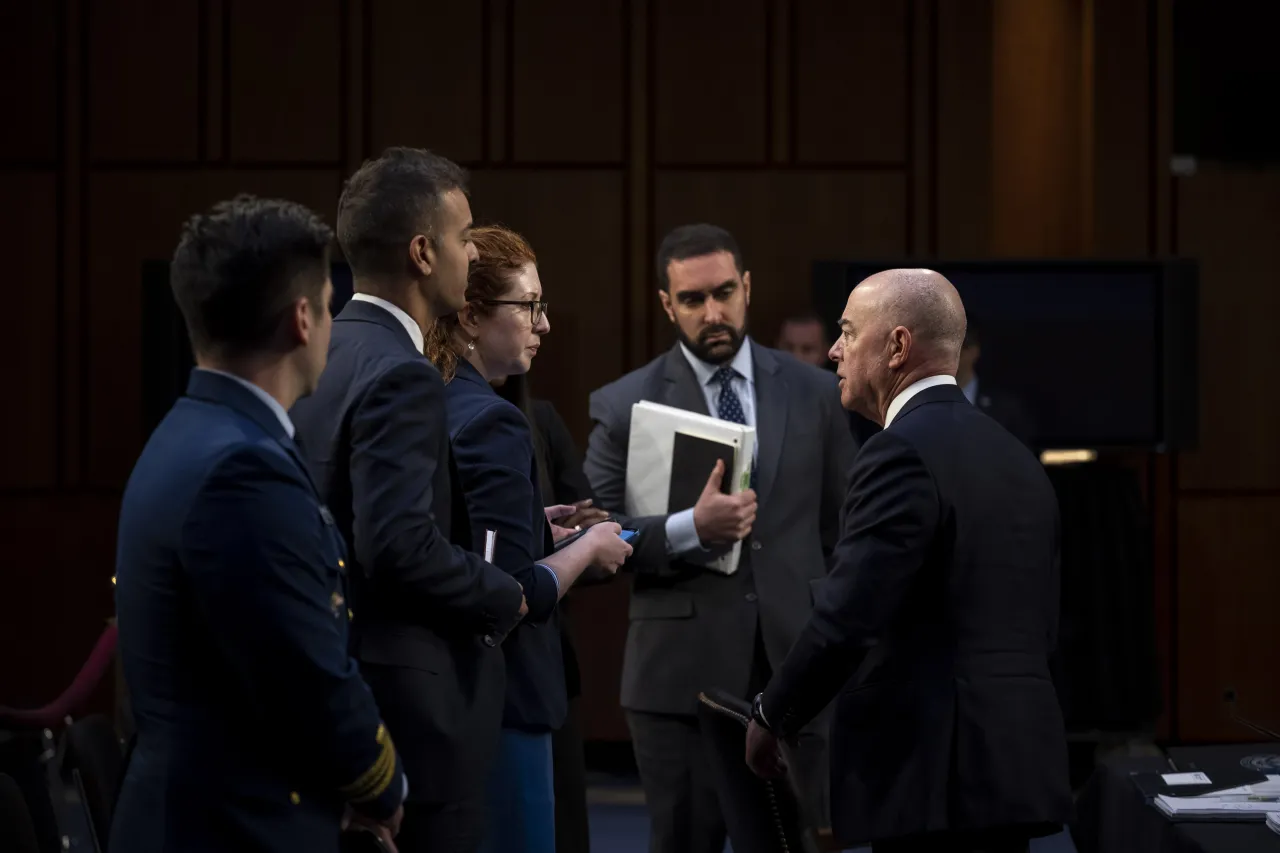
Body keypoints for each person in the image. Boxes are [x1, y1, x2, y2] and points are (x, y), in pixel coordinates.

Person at [290, 149, 629, 853]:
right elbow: (398, 547)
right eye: (464, 234)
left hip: (338, 686)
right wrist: (512, 589)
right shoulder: (405, 373)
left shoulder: (328, 351)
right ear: (422, 251)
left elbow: (353, 515)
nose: (472, 250)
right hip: (418, 708)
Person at [112, 195, 406, 853]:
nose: (332, 322)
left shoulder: (191, 430)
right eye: (330, 305)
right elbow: (307, 676)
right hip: (236, 824)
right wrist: (382, 789)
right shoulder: (244, 469)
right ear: (303, 319)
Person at [745, 269, 1071, 853]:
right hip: (1013, 765)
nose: (833, 350)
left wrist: (773, 713)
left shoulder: (896, 454)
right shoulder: (1018, 457)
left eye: (847, 332)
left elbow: (847, 616)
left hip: (932, 777)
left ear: (897, 347)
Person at [584, 223, 857, 853]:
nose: (713, 312)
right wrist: (689, 530)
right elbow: (592, 535)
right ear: (665, 304)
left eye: (725, 292)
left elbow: (842, 528)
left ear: (748, 287)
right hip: (680, 676)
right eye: (692, 299)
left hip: (797, 668)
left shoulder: (818, 392)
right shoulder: (624, 403)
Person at [425, 225, 631, 853]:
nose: (544, 325)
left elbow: (454, 539)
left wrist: (538, 527)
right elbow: (512, 592)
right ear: (470, 315)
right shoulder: (492, 419)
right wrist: (588, 548)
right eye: (530, 306)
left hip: (450, 696)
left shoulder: (436, 397)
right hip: (504, 699)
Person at [957, 320, 1036, 447]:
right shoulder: (921, 401)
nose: (948, 355)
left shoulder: (1005, 407)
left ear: (974, 351)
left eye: (958, 348)